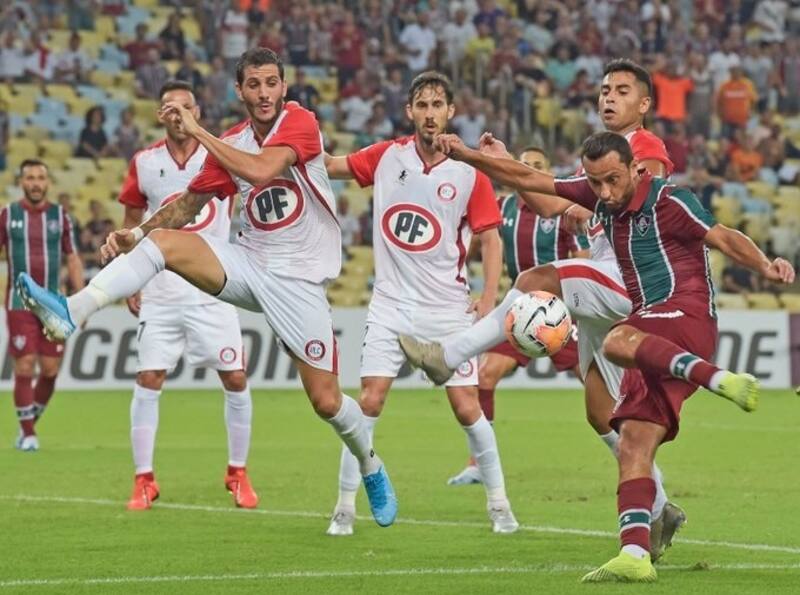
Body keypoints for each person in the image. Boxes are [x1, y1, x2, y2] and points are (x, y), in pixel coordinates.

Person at [17, 48, 397, 529]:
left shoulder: (301, 122)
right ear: (239, 90)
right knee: (166, 244)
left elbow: (261, 171)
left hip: (299, 282)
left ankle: (369, 464)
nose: (264, 94)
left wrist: (197, 130)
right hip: (248, 263)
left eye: (271, 83)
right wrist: (136, 234)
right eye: (253, 85)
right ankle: (74, 308)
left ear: (284, 87)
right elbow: (188, 205)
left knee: (326, 402)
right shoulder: (231, 142)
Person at [432, 130, 795, 583]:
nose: (604, 192)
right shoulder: (600, 194)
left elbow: (722, 236)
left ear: (635, 169)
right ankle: (635, 556)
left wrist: (765, 264)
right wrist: (466, 154)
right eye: (596, 183)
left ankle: (720, 379)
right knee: (633, 442)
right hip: (651, 329)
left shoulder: (669, 199)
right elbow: (529, 178)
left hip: (687, 314)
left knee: (616, 342)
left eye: (612, 181)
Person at [400, 59, 687, 563]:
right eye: (604, 89)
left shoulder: (646, 149)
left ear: (643, 104)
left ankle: (449, 355)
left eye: (621, 91)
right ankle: (661, 506)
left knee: (534, 280)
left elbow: (646, 191)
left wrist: (600, 198)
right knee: (602, 411)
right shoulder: (598, 159)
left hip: (627, 275)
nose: (608, 97)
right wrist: (503, 160)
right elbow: (553, 202)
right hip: (604, 278)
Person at [323, 71, 517, 536]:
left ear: (451, 111)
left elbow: (490, 239)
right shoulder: (387, 157)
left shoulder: (470, 171)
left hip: (447, 310)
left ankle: (499, 506)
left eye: (437, 105)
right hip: (390, 306)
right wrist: (291, 148)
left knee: (467, 407)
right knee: (368, 401)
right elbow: (332, 165)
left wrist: (487, 298)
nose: (429, 113)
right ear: (410, 111)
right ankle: (344, 508)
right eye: (422, 105)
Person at [117, 80, 255, 511]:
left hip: (213, 286)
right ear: (159, 114)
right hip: (161, 289)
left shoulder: (219, 155)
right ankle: (144, 480)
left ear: (197, 112)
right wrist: (132, 279)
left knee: (234, 377)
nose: (176, 113)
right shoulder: (145, 162)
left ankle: (238, 472)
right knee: (149, 378)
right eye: (168, 107)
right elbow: (132, 221)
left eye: (185, 106)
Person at [447, 146, 587, 486]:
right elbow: (477, 246)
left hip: (560, 315)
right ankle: (478, 463)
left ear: (548, 170)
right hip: (519, 312)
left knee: (597, 383)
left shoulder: (560, 211)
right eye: (525, 166)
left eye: (539, 166)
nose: (531, 170)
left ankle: (631, 450)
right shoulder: (503, 207)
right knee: (485, 376)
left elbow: (583, 256)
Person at [0, 159, 84, 451]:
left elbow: (72, 258)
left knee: (49, 370)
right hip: (18, 302)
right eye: (30, 178)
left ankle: (27, 427)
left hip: (53, 305)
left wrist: (81, 300)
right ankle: (29, 434)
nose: (35, 183)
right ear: (21, 182)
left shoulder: (60, 216)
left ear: (47, 183)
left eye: (40, 178)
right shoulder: (7, 215)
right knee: (24, 366)